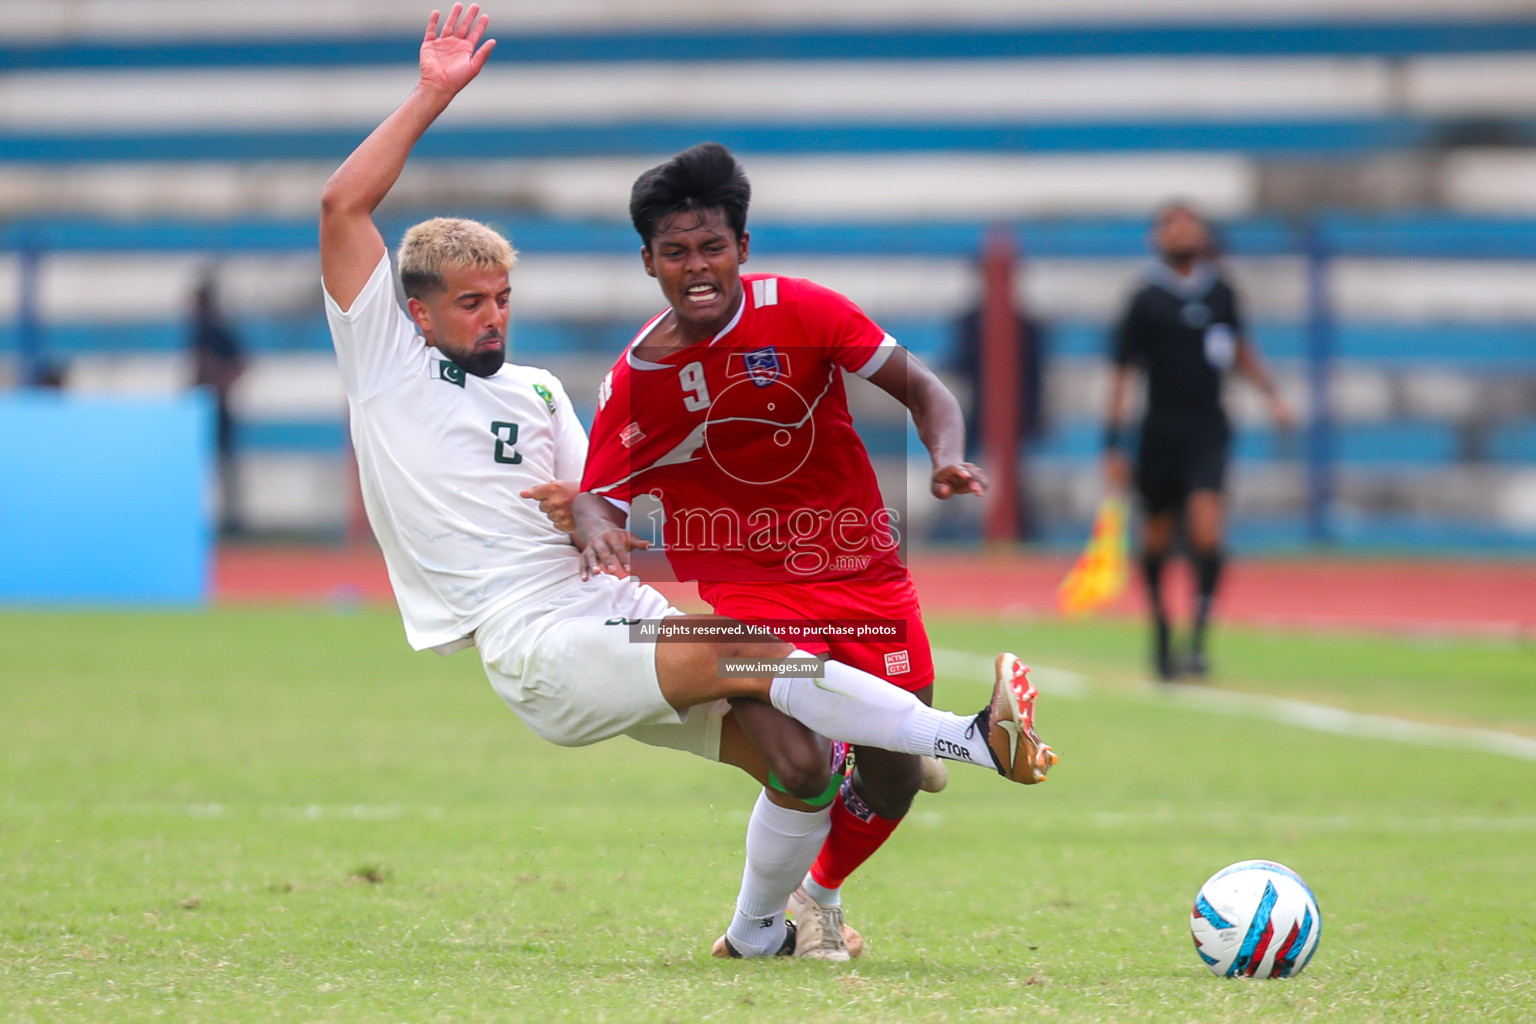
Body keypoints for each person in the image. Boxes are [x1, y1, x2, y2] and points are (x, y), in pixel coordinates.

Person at [318, 5, 1056, 959]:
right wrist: (433, 94)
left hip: (607, 609)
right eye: (470, 303)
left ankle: (757, 937)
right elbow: (342, 208)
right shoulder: (383, 363)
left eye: (503, 297)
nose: (493, 316)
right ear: (412, 313)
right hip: (535, 640)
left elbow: (602, 498)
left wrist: (588, 513)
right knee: (753, 652)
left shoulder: (541, 390)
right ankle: (964, 736)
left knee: (798, 767)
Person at [574, 142, 1056, 961]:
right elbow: (597, 492)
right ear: (648, 261)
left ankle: (819, 896)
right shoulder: (637, 377)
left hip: (862, 574)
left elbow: (923, 387)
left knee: (893, 778)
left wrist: (945, 454)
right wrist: (596, 527)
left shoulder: (802, 310)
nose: (697, 267)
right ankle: (756, 933)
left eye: (712, 247)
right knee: (799, 767)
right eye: (676, 252)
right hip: (747, 598)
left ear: (743, 249)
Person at [1103, 202, 1292, 681]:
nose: (1184, 233)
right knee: (1157, 536)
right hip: (1159, 431)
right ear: (1157, 237)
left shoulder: (1222, 291)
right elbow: (1123, 373)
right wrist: (1113, 441)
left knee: (1207, 526)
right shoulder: (1145, 299)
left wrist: (1272, 394)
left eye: (1191, 225)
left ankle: (1199, 639)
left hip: (1208, 428)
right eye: (1174, 225)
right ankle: (1162, 629)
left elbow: (1239, 347)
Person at [189, 272, 247, 534]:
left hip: (217, 407)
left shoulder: (217, 331)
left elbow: (240, 362)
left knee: (225, 463)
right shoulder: (198, 332)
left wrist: (221, 385)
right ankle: (208, 516)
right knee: (206, 463)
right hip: (201, 405)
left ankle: (232, 519)